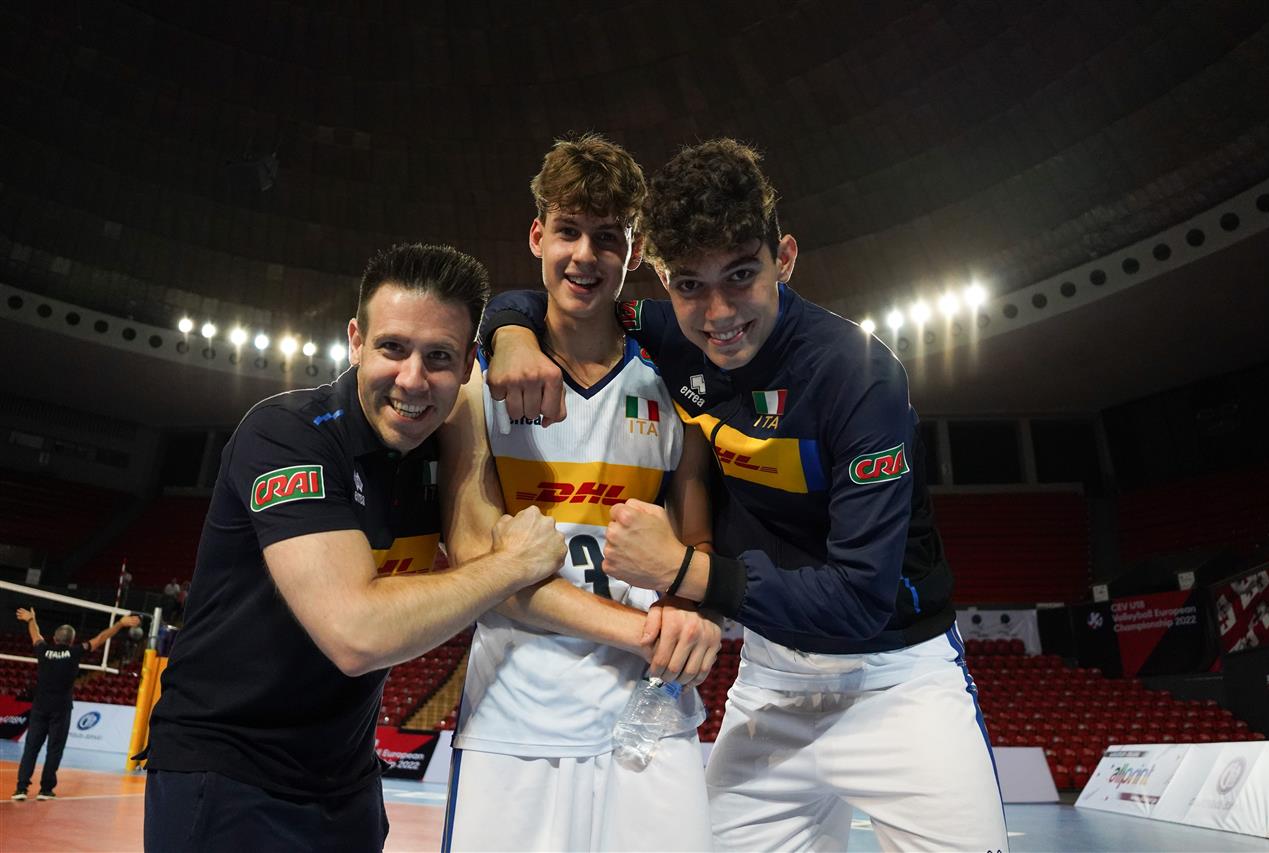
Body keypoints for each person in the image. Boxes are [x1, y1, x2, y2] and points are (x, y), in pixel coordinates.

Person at [482, 140, 1009, 852]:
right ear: (663, 279)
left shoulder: (858, 375)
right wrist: (510, 333)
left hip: (899, 685)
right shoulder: (673, 336)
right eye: (690, 284)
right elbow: (564, 301)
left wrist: (683, 570)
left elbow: (861, 601)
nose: (719, 313)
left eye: (740, 275)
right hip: (768, 684)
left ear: (783, 258)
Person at [142, 243, 568, 852]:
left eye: (439, 356)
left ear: (469, 364)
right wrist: (513, 564)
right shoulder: (287, 435)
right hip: (228, 773)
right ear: (355, 342)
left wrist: (513, 332)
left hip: (346, 785)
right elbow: (355, 635)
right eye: (393, 348)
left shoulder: (441, 450)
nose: (413, 380)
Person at [438, 134, 720, 851]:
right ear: (537, 236)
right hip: (514, 716)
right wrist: (646, 631)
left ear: (634, 251)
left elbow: (695, 540)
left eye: (607, 237)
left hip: (651, 714)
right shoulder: (478, 383)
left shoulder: (675, 383)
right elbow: (476, 566)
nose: (584, 256)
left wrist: (688, 613)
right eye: (567, 231)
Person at [12, 607, 141, 801]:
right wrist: (120, 624)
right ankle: (45, 790)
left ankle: (21, 788)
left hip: (40, 707)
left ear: (54, 639)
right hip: (61, 708)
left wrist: (31, 620)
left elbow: (35, 635)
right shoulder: (75, 652)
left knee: (31, 748)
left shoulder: (43, 650)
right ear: (71, 641)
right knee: (54, 749)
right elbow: (100, 638)